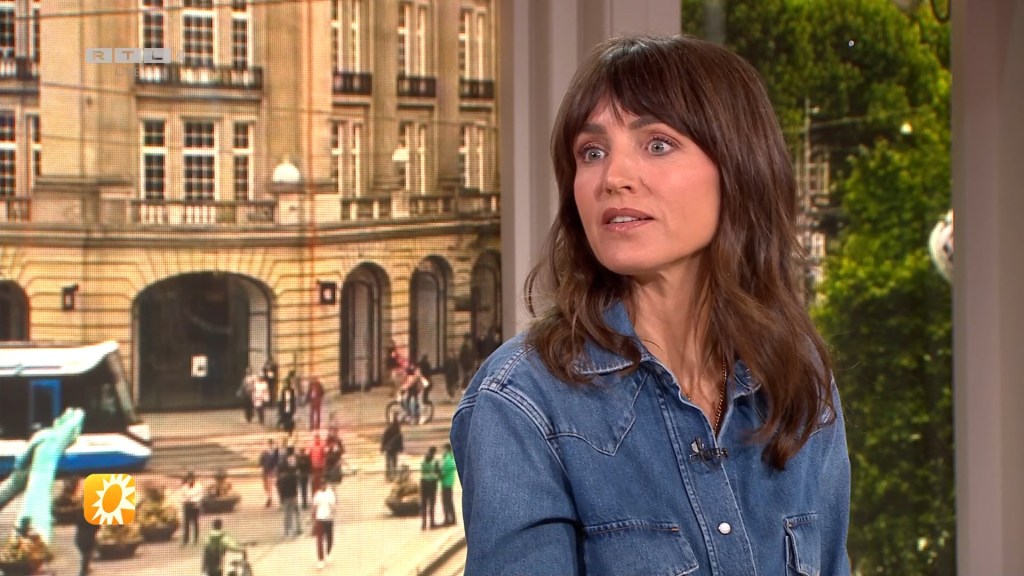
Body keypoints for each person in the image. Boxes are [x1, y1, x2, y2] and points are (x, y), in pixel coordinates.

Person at [450, 34, 851, 575]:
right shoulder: (521, 401)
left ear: (739, 167)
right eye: (592, 153)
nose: (613, 178)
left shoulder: (798, 375)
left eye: (657, 144)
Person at [311, 481, 337, 569]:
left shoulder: (330, 494)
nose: (322, 486)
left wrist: (333, 512)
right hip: (320, 519)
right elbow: (314, 507)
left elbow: (333, 506)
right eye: (321, 485)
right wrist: (313, 518)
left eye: (324, 484)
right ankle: (320, 560)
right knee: (319, 540)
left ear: (326, 485)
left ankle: (328, 553)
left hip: (329, 519)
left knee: (329, 538)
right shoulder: (317, 495)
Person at [277, 450, 302, 537]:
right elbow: (295, 485)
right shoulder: (292, 475)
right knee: (293, 512)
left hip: (286, 496)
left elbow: (279, 489)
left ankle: (287, 530)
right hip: (291, 496)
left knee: (287, 513)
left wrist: (281, 498)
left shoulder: (281, 477)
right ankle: (295, 529)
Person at [178, 470, 203, 545]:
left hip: (195, 505)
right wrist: (185, 500)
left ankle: (195, 539)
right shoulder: (184, 487)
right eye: (189, 479)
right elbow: (181, 496)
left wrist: (193, 500)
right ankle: (185, 540)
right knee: (186, 523)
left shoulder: (198, 486)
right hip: (187, 505)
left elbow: (200, 496)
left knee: (195, 522)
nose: (190, 480)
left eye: (191, 478)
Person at [74, 504, 101, 575]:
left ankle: (85, 568)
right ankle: (84, 569)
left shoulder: (80, 515)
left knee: (86, 554)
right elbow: (97, 527)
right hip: (89, 538)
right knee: (87, 553)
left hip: (80, 538)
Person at [419, 446, 441, 530]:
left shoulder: (423, 461)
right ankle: (432, 523)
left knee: (424, 504)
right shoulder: (435, 462)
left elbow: (422, 471)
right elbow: (438, 473)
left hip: (423, 483)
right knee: (431, 504)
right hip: (432, 484)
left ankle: (423, 524)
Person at [380, 414, 404, 481]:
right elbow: (400, 439)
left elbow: (384, 439)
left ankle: (388, 476)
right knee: (394, 462)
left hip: (389, 448)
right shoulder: (398, 430)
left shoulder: (389, 429)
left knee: (388, 462)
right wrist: (401, 448)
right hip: (394, 449)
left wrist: (382, 448)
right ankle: (393, 475)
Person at [439, 443, 457, 526]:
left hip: (446, 483)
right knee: (448, 502)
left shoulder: (447, 459)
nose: (443, 451)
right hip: (447, 483)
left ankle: (448, 519)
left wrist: (439, 473)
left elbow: (443, 471)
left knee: (446, 502)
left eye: (443, 449)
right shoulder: (449, 458)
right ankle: (451, 518)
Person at [259, 439, 279, 507]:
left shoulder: (276, 452)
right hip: (266, 470)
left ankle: (270, 498)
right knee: (266, 486)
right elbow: (261, 461)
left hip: (273, 471)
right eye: (269, 444)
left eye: (271, 444)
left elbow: (277, 461)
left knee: (271, 484)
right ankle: (269, 497)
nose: (270, 445)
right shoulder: (264, 452)